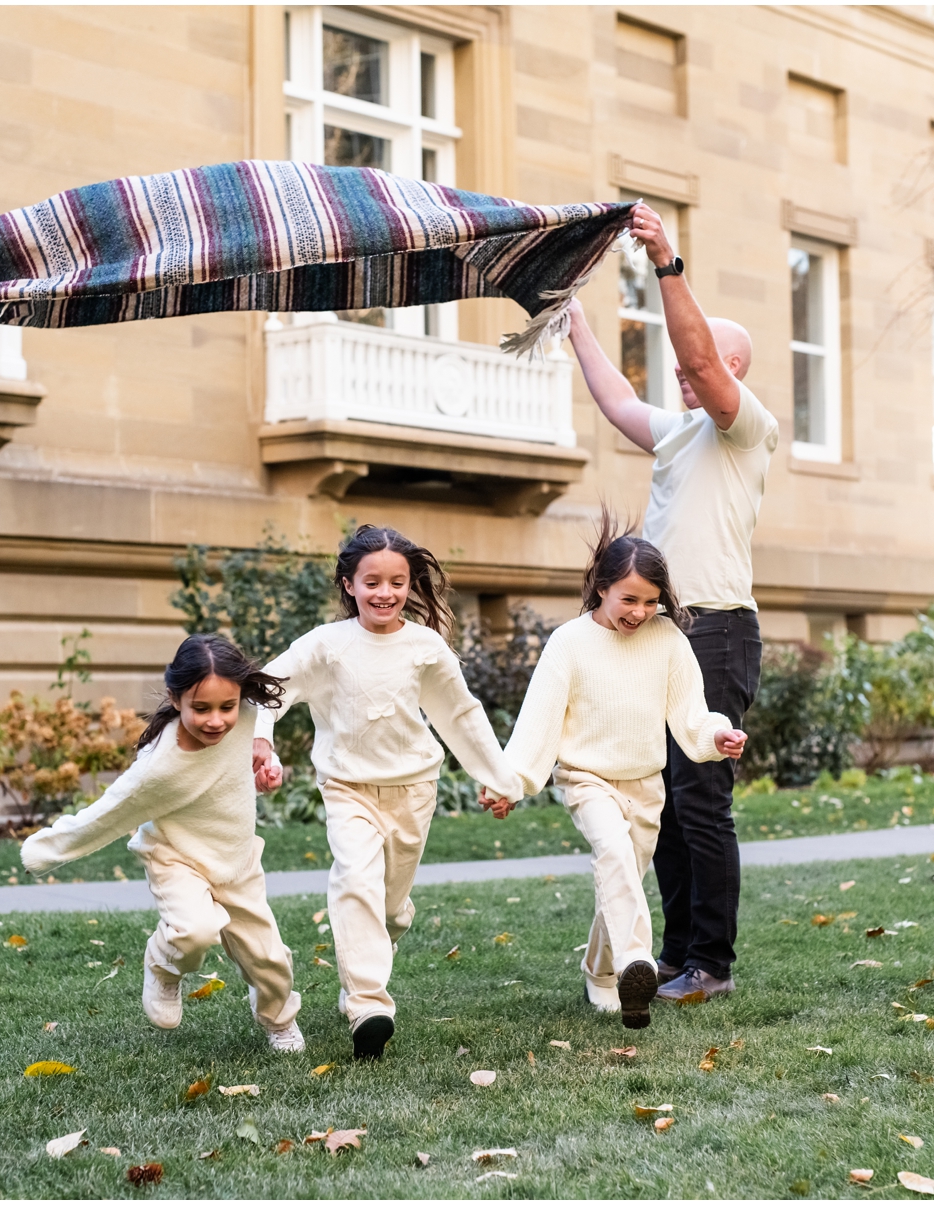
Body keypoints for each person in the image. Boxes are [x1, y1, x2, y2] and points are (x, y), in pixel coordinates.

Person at [561, 201, 777, 1004]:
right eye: (686, 363)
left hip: (717, 629)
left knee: (700, 796)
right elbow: (618, 398)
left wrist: (666, 260)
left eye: (705, 362)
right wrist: (575, 317)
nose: (685, 369)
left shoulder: (744, 427)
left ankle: (710, 964)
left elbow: (699, 357)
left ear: (734, 371)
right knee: (665, 792)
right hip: (662, 632)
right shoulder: (680, 432)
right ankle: (681, 955)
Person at [251, 526, 523, 1060]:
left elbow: (460, 714)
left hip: (413, 789)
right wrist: (262, 742)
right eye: (372, 582)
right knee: (356, 881)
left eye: (397, 582)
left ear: (409, 584)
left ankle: (379, 942)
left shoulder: (424, 647)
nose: (385, 593)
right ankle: (368, 1006)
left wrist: (498, 777)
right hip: (347, 786)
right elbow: (268, 687)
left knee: (390, 908)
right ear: (349, 584)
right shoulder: (327, 645)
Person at [498, 513, 746, 1029]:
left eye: (651, 600)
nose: (639, 611)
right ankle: (638, 962)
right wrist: (511, 782)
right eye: (628, 599)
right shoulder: (569, 642)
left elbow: (691, 715)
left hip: (644, 786)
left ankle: (599, 969)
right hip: (586, 779)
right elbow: (537, 724)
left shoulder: (668, 640)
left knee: (623, 879)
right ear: (601, 588)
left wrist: (716, 737)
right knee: (612, 855)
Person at [21, 634, 306, 1052]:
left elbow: (255, 743)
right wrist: (45, 851)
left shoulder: (246, 715)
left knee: (270, 961)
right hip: (177, 859)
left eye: (226, 707)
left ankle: (279, 1021)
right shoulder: (159, 766)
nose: (216, 720)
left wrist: (267, 769)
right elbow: (107, 814)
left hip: (237, 860)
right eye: (201, 708)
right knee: (194, 931)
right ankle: (162, 964)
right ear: (176, 699)